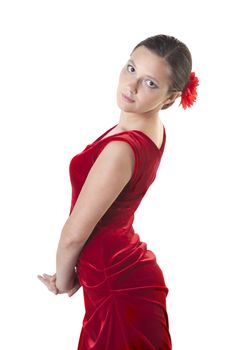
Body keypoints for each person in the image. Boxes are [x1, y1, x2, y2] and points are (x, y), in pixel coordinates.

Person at [38, 34, 199, 349]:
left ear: (170, 98)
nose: (132, 85)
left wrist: (63, 278)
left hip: (117, 290)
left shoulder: (121, 150)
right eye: (131, 69)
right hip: (119, 278)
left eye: (150, 83)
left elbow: (74, 233)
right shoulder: (148, 128)